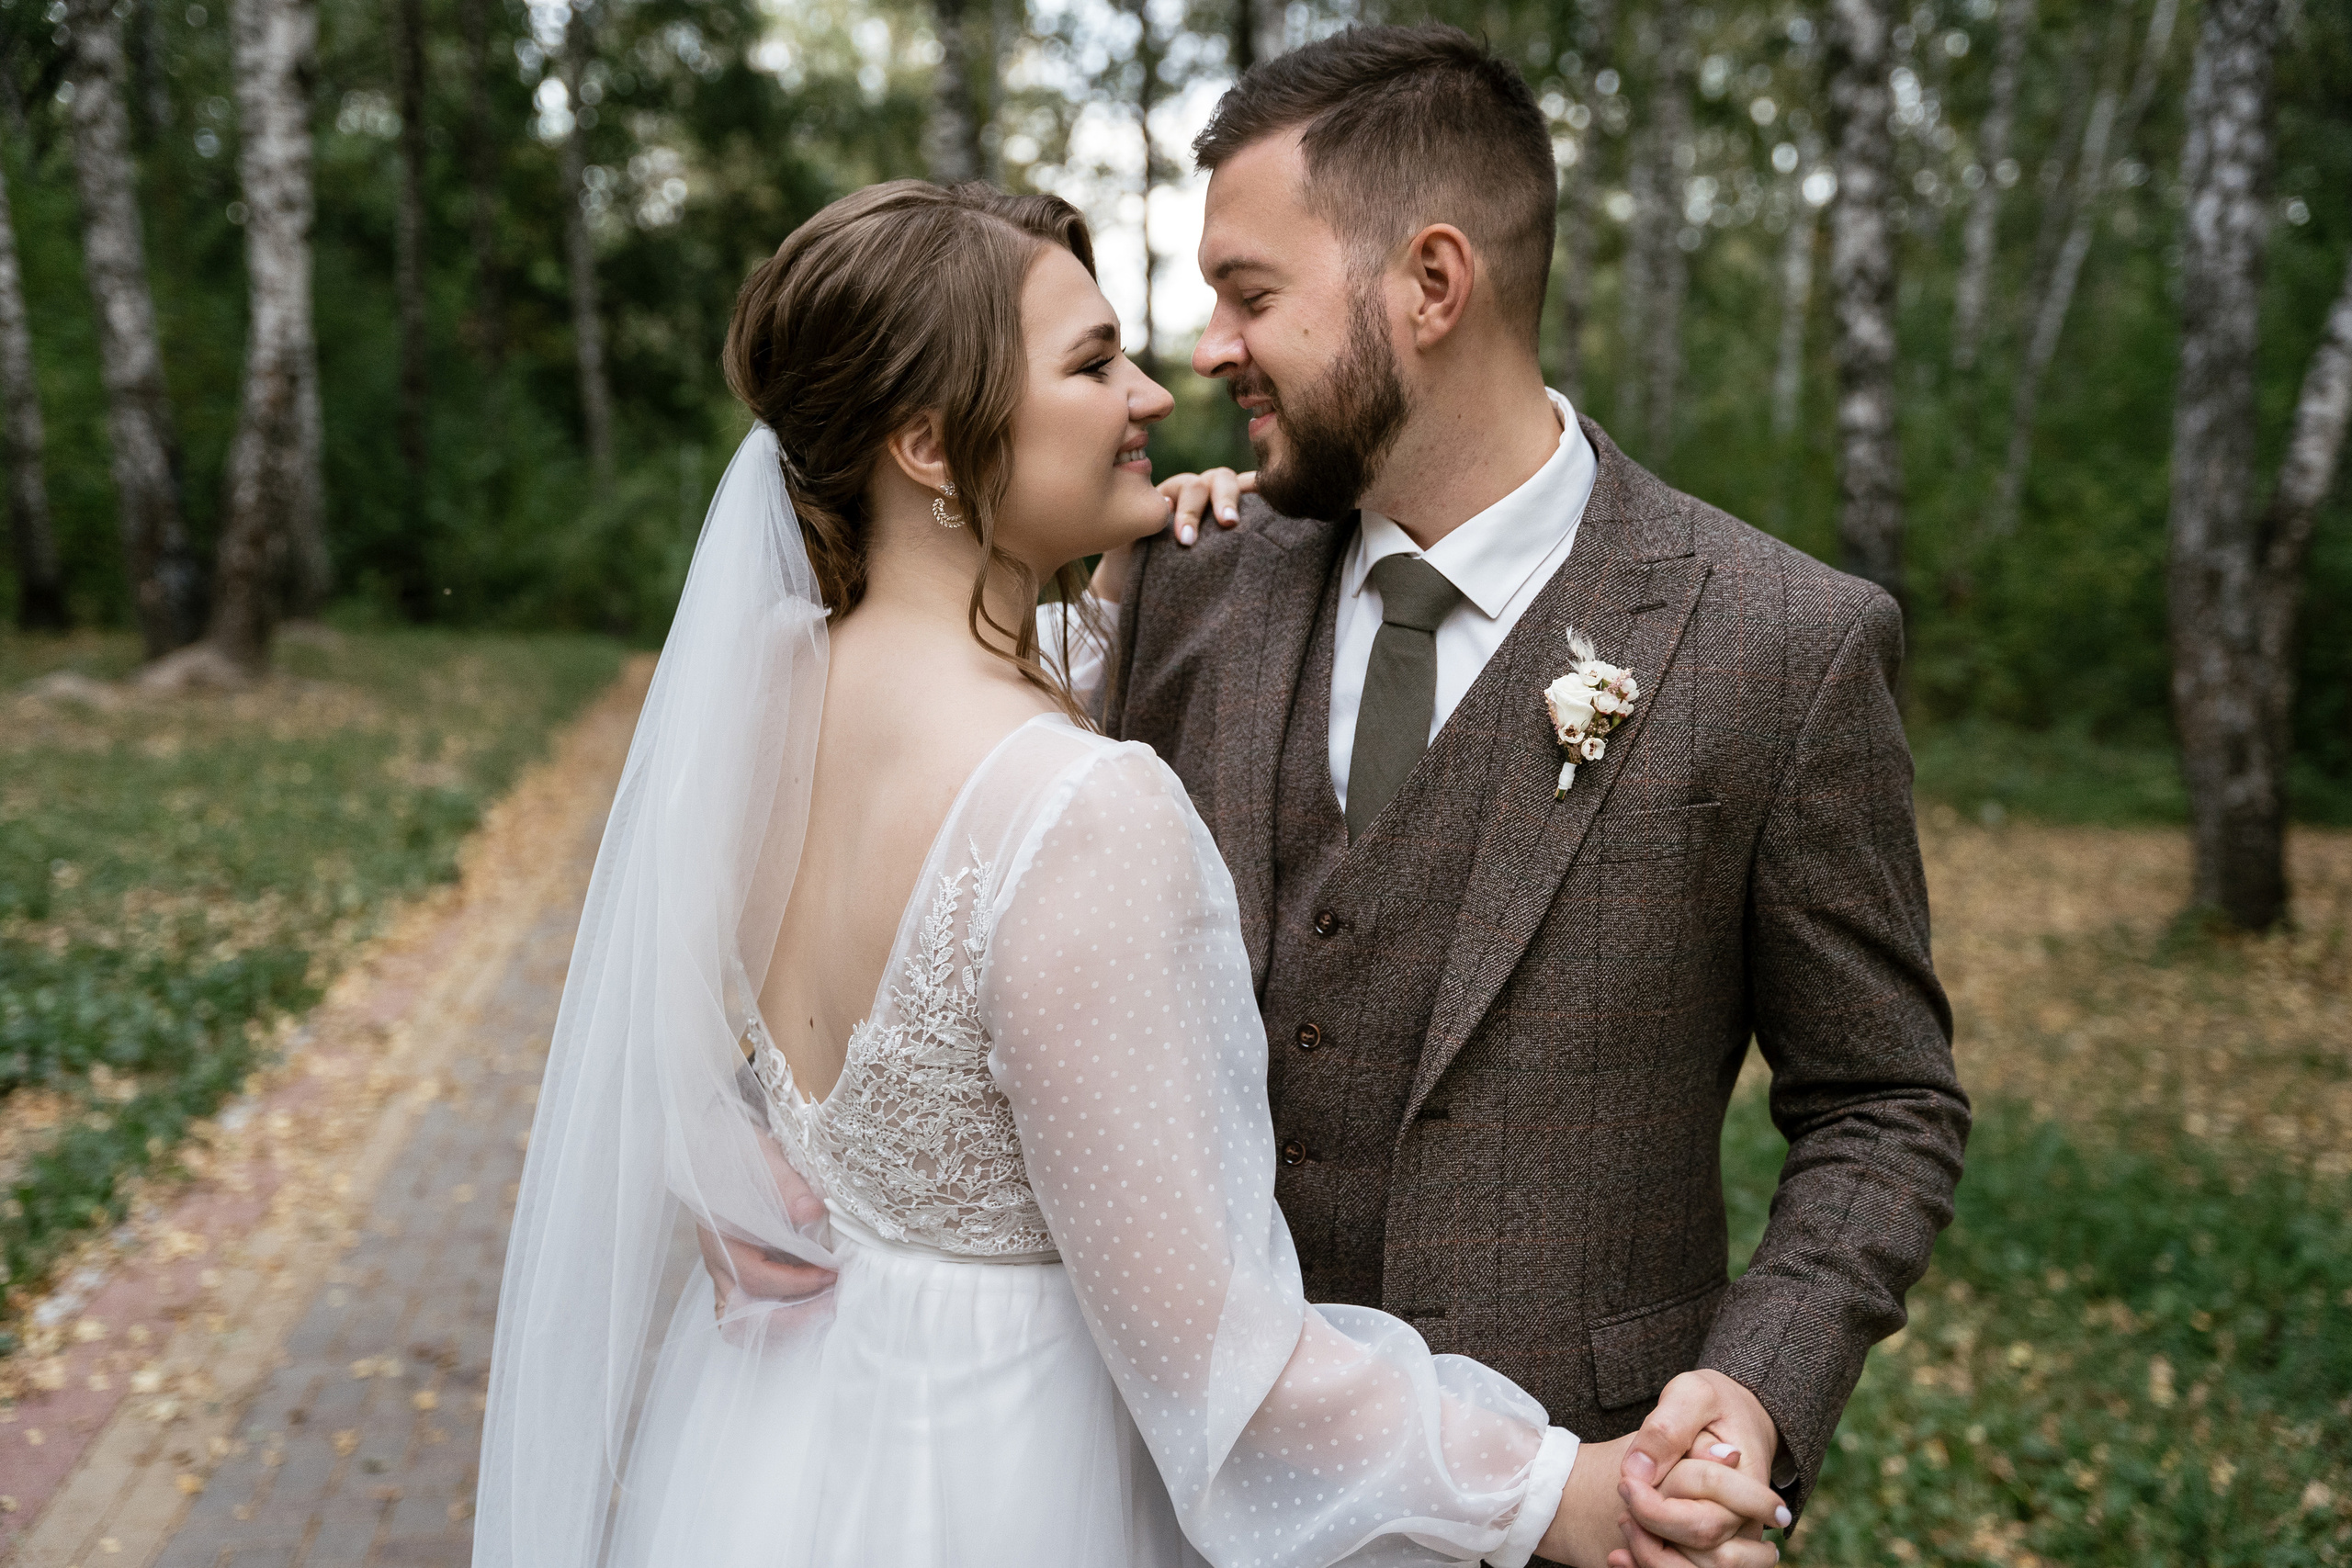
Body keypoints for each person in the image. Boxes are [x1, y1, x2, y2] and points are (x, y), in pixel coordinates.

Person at [474, 180, 1787, 1568]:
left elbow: (689, 1019)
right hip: (1010, 1480)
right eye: (1095, 364)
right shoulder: (1083, 813)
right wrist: (1552, 1493)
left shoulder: (765, 698)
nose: (1155, 394)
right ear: (928, 442)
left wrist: (1135, 586)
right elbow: (1220, 1359)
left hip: (779, 1446)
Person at [1074, 25, 1970, 1567]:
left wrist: (1759, 1386)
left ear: (1432, 283)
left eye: (1252, 294)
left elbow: (1883, 1101)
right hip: (1173, 1484)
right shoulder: (1183, 583)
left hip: (1581, 1491)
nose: (1208, 351)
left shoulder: (1782, 645)